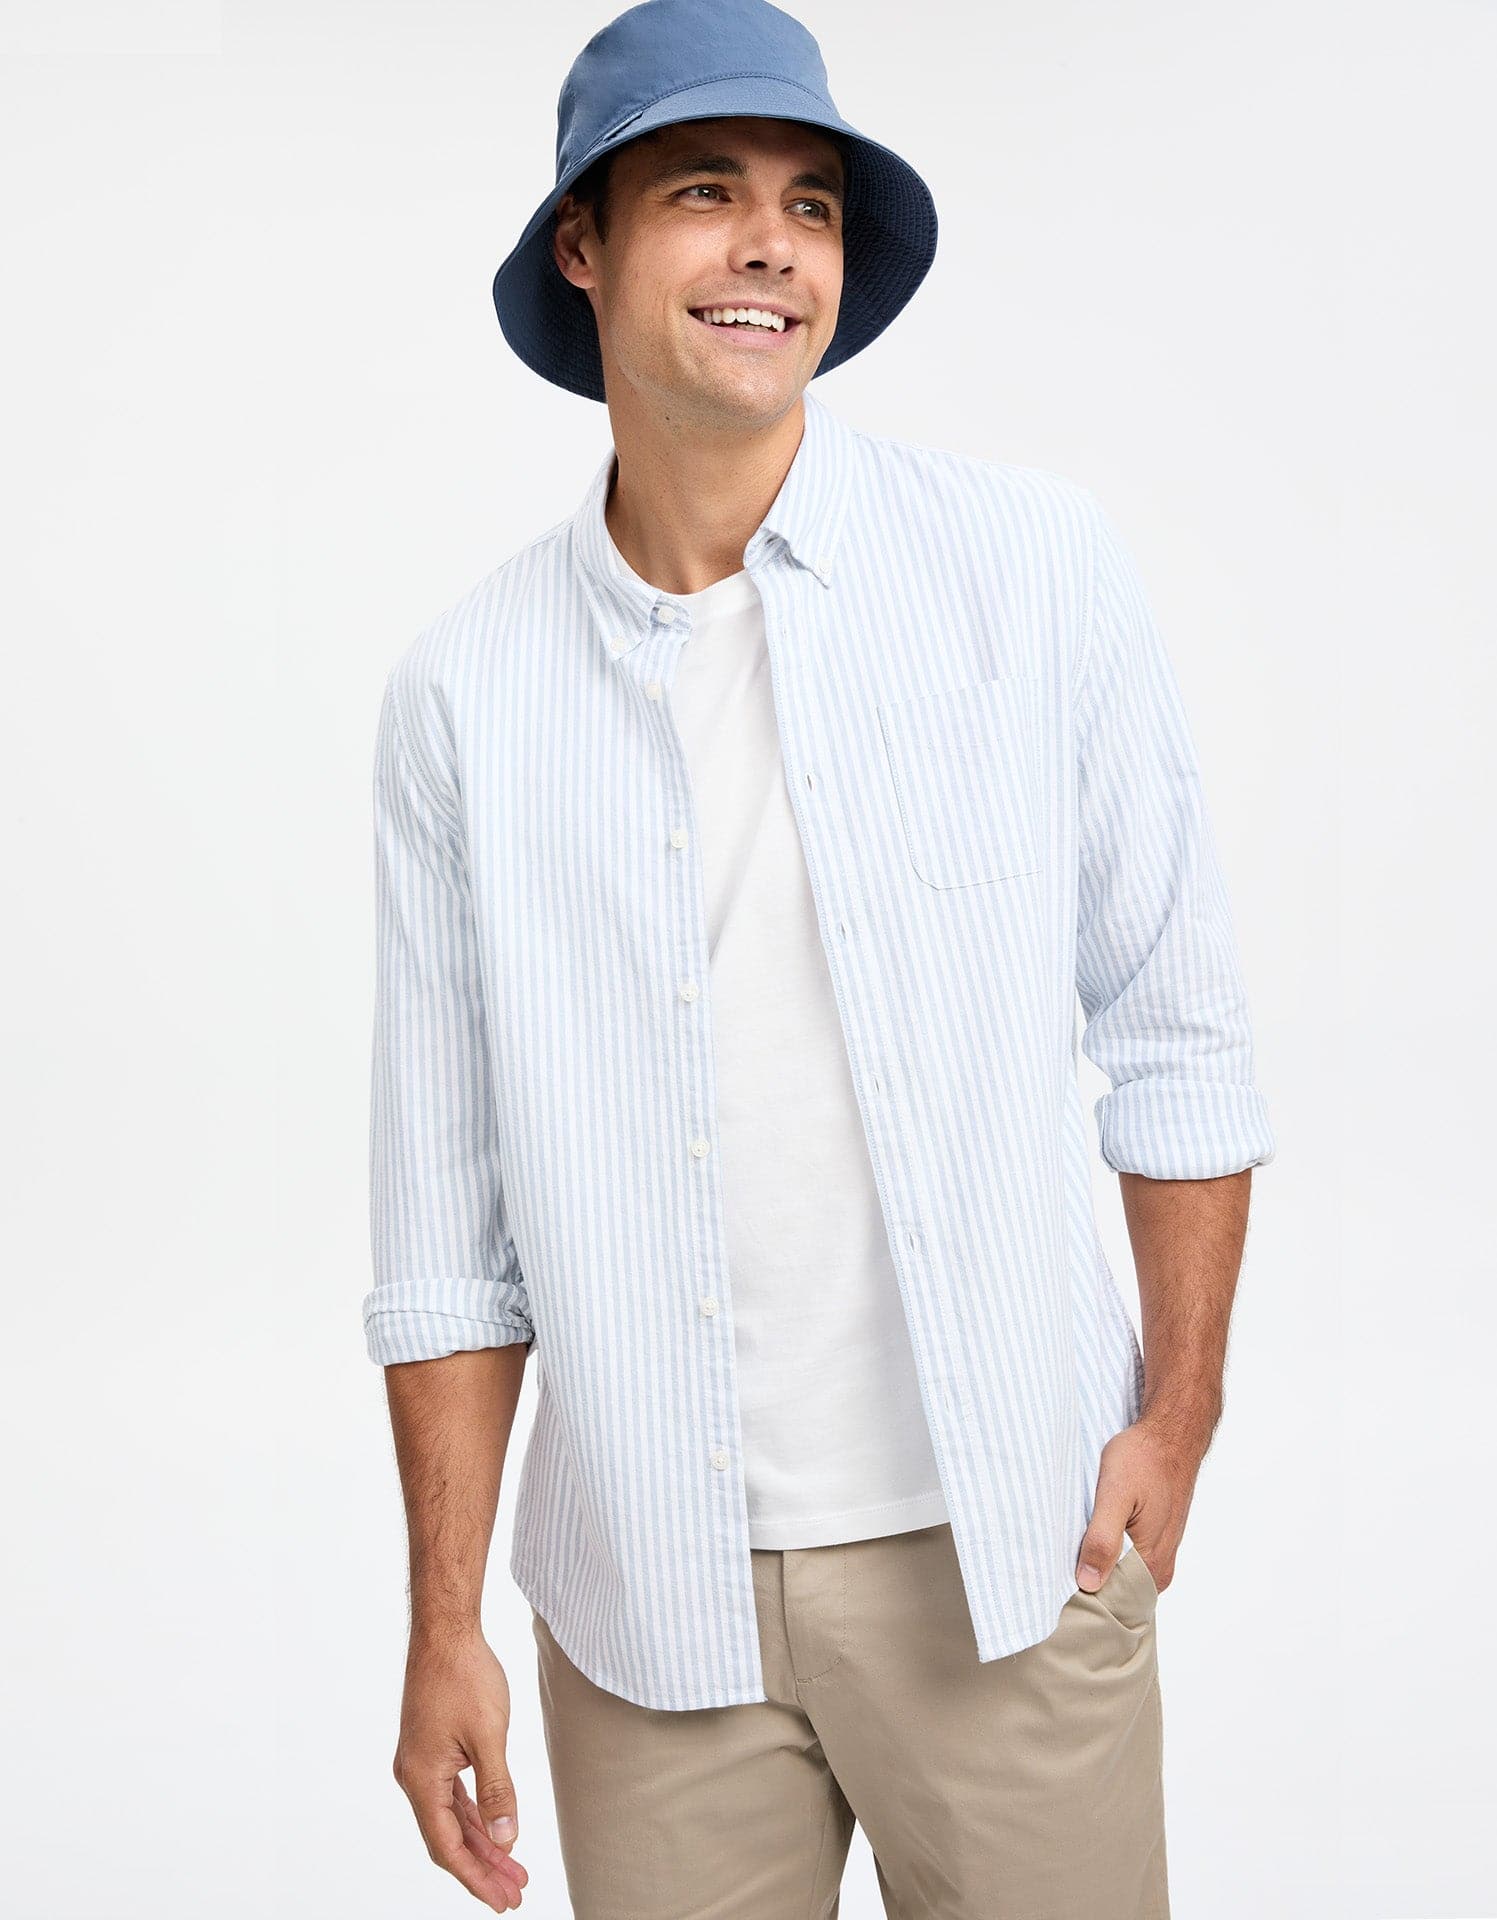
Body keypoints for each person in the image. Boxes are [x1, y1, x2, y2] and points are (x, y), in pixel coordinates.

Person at [362, 1, 1275, 1914]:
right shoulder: (467, 694)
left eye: (810, 205)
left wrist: (1175, 1420)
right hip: (647, 1607)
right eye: (706, 193)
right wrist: (445, 1619)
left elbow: (1177, 1026)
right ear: (583, 246)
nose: (772, 245)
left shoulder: (1029, 570)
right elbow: (447, 1217)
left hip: (1009, 1554)